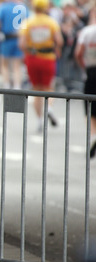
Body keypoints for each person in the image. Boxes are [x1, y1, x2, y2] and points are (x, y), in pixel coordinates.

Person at [18, 0, 64, 132]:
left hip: (32, 58)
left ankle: (40, 120)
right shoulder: (51, 22)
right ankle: (48, 107)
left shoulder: (28, 22)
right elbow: (59, 40)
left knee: (36, 89)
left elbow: (21, 44)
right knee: (48, 87)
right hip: (48, 57)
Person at [0, 0, 29, 89]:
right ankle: (17, 86)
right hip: (19, 38)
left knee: (4, 63)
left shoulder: (3, 6)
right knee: (17, 65)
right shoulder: (23, 7)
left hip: (7, 38)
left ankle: (6, 84)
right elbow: (28, 21)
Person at [74, 5, 96, 158]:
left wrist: (85, 67)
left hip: (92, 71)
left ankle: (93, 135)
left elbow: (78, 53)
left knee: (90, 109)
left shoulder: (87, 31)